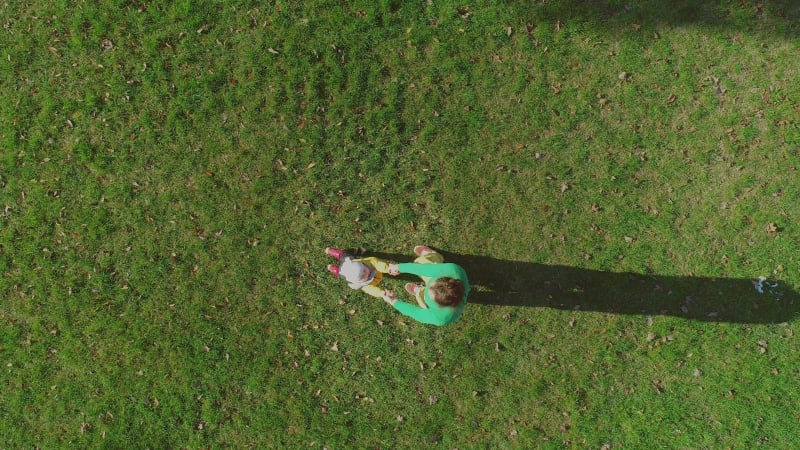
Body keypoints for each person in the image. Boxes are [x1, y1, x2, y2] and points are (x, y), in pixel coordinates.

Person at [326, 246, 469, 326]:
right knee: (421, 263)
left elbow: (415, 312)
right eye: (430, 286)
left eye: (429, 292)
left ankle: (420, 291)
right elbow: (421, 269)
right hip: (441, 273)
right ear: (444, 279)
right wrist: (399, 267)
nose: (429, 286)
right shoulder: (454, 271)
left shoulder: (440, 318)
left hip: (439, 286)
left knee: (423, 300)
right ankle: (432, 256)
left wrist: (394, 302)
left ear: (439, 306)